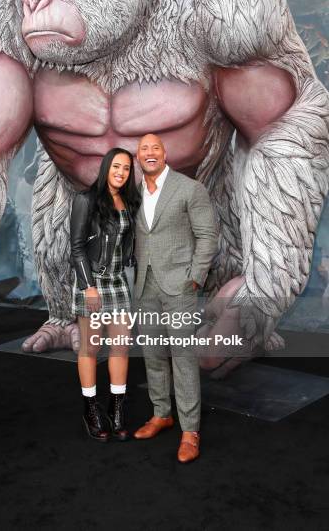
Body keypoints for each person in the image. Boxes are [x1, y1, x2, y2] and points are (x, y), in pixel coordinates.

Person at [133, 134, 218, 463]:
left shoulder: (189, 188)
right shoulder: (133, 193)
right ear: (138, 157)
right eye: (144, 149)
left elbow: (208, 235)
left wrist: (195, 277)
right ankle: (161, 414)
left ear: (165, 153)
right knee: (153, 355)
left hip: (180, 287)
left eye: (155, 147)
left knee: (182, 358)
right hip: (145, 286)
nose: (150, 153)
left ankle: (190, 430)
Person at [70, 147, 141, 442]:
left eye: (125, 168)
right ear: (106, 168)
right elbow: (76, 248)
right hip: (93, 283)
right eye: (116, 167)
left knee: (121, 348)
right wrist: (88, 287)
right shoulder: (86, 200)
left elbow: (127, 245)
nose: (121, 173)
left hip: (118, 282)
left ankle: (116, 407)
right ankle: (90, 409)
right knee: (90, 348)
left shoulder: (129, 201)